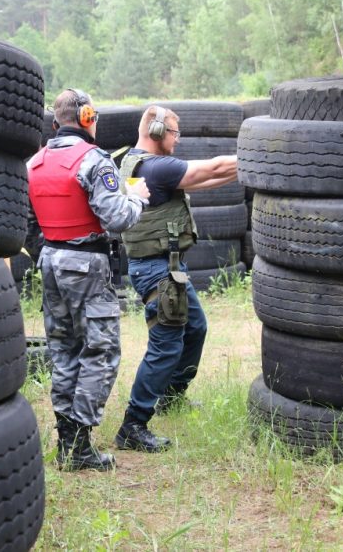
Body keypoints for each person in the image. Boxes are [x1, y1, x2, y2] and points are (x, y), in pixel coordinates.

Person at [28, 88, 150, 472]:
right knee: (101, 350)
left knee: (64, 351)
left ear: (55, 122)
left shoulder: (35, 161)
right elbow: (117, 218)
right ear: (87, 118)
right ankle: (80, 445)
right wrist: (138, 197)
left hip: (50, 260)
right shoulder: (94, 160)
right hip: (86, 264)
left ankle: (67, 440)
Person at [115, 105, 238, 452]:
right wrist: (258, 153)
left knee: (195, 328)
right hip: (157, 271)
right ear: (155, 131)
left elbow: (211, 178)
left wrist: (245, 169)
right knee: (165, 345)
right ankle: (133, 425)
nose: (178, 139)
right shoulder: (157, 167)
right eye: (174, 132)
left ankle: (171, 396)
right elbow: (212, 168)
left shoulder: (132, 162)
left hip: (164, 269)